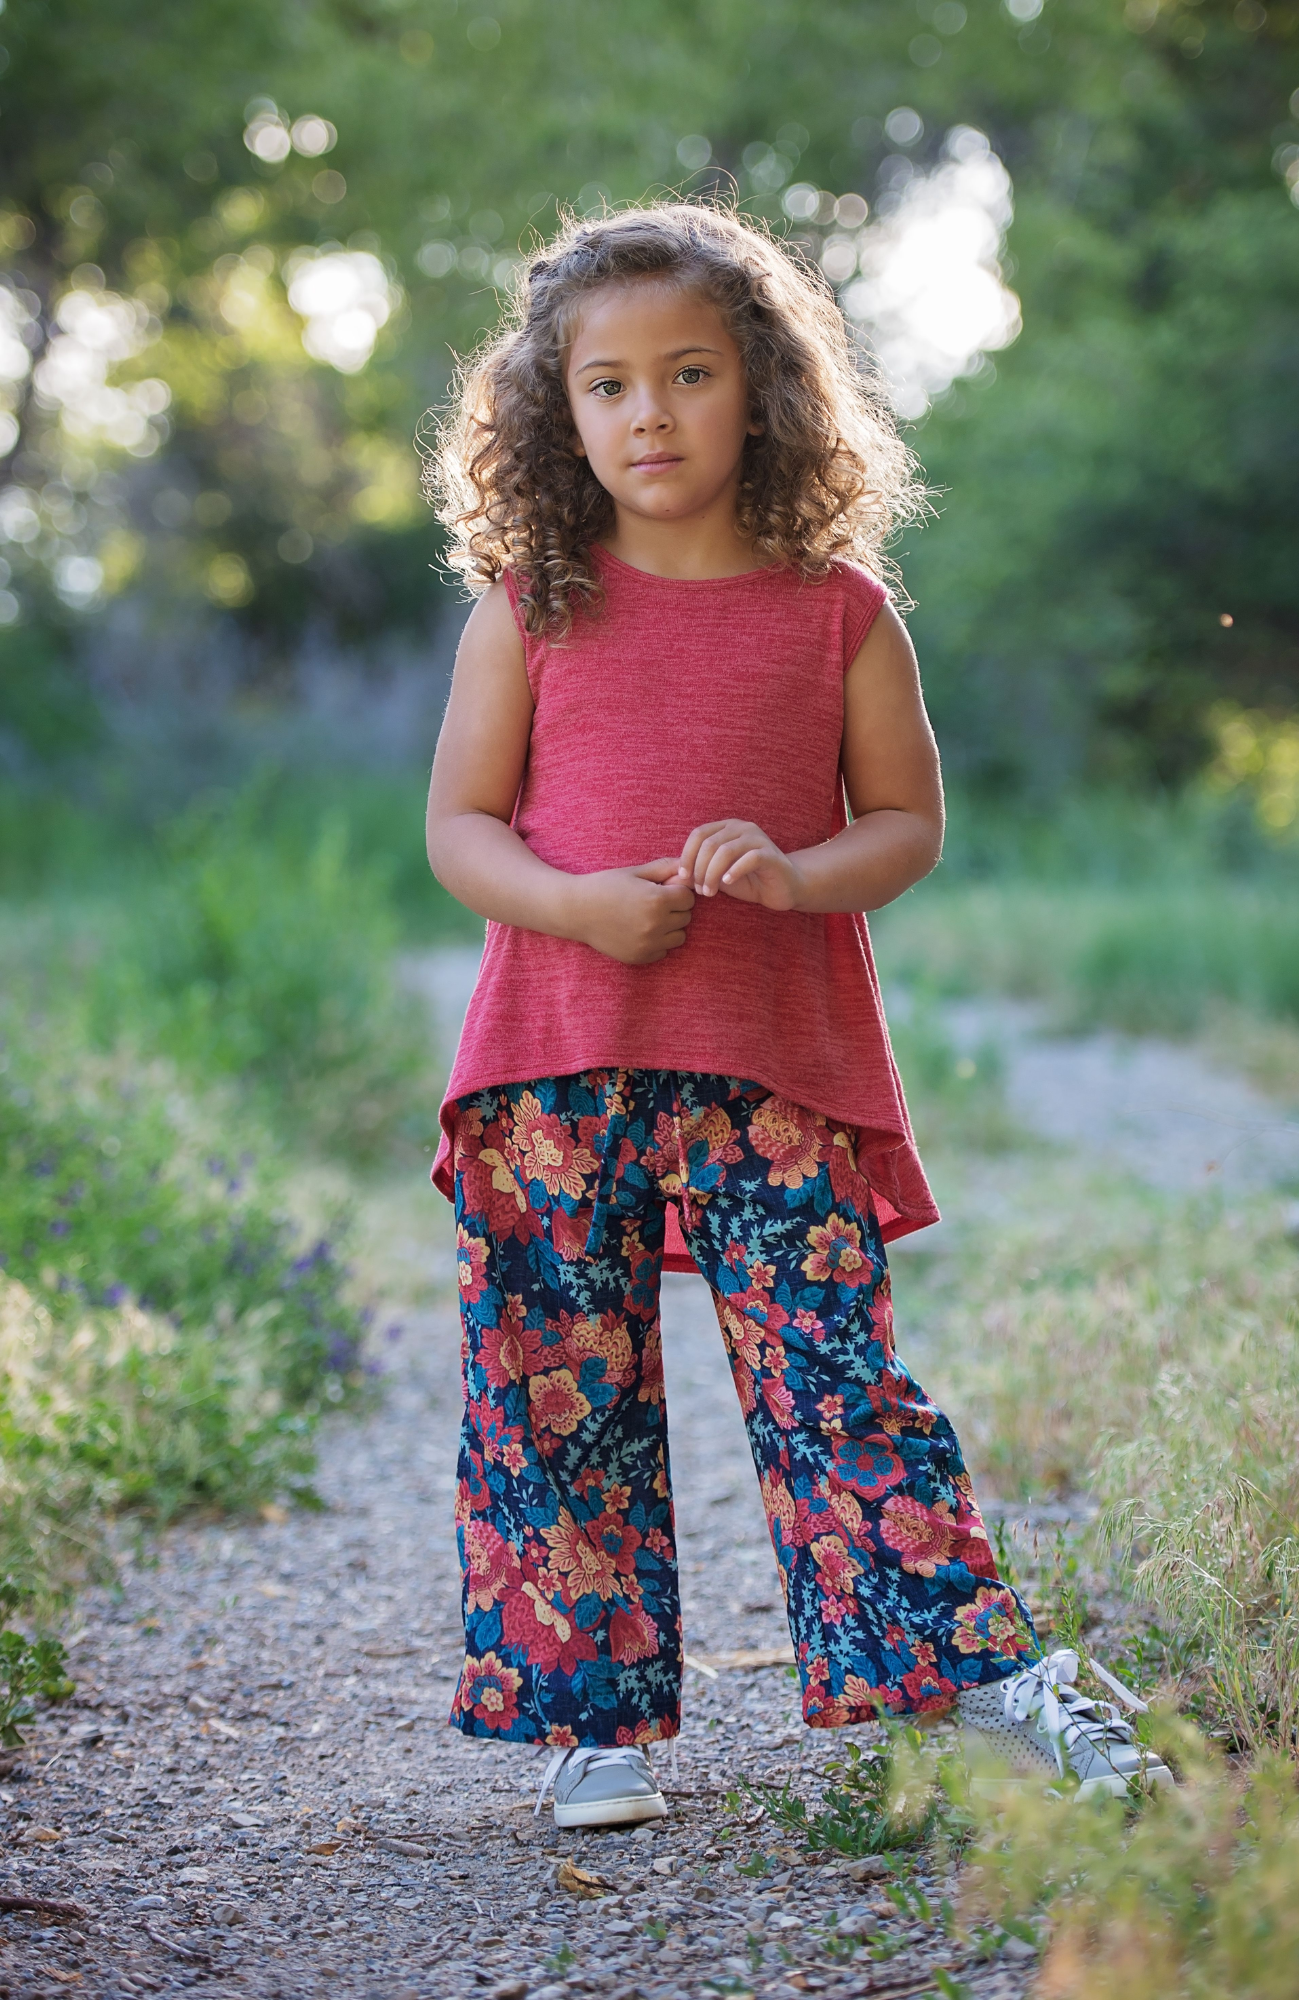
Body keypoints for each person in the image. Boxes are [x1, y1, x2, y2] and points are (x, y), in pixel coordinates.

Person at [423, 202, 1168, 1827]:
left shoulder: (837, 611)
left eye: (687, 374)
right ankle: (592, 1721)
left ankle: (978, 1675)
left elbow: (907, 827)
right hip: (555, 1060)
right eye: (607, 386)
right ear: (560, 412)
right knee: (559, 1383)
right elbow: (460, 830)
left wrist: (794, 870)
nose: (649, 415)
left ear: (761, 385)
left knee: (836, 1379)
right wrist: (577, 905)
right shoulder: (530, 607)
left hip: (776, 1068)